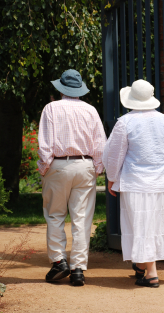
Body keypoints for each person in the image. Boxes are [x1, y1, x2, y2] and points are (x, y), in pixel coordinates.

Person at [103, 79, 164, 288]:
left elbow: (115, 153)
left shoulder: (125, 122)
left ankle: (151, 273)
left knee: (140, 225)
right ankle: (142, 266)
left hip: (135, 181)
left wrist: (112, 177)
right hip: (162, 182)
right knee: (154, 224)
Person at [37, 69, 107, 286]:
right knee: (82, 218)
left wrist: (44, 167)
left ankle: (59, 261)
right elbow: (100, 144)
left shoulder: (51, 108)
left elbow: (45, 144)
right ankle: (78, 268)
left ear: (61, 89)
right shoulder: (90, 110)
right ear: (79, 89)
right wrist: (97, 168)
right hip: (84, 164)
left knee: (55, 215)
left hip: (58, 164)